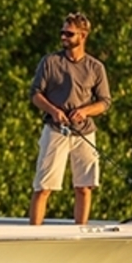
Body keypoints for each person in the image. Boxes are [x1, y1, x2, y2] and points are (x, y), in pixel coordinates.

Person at [28, 13, 111, 226]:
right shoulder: (50, 62)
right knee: (44, 187)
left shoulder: (95, 67)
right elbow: (35, 94)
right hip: (56, 130)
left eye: (69, 33)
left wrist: (85, 111)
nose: (63, 37)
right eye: (62, 33)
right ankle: (34, 232)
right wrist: (54, 111)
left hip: (84, 132)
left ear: (82, 36)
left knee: (84, 187)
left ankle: (80, 230)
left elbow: (104, 102)